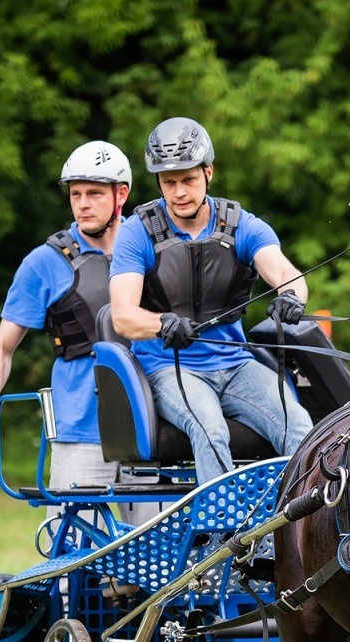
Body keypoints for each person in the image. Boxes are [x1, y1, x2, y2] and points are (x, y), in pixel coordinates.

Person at [0, 139, 157, 519]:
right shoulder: (44, 263)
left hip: (149, 430)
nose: (82, 203)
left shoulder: (154, 247)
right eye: (75, 193)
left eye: (94, 193)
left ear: (122, 195)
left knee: (160, 568)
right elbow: (1, 347)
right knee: (73, 568)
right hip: (80, 429)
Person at [108, 116, 313, 482]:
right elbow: (122, 316)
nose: (179, 192)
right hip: (168, 368)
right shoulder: (136, 233)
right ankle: (222, 536)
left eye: (188, 179)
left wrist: (292, 297)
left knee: (299, 427)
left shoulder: (241, 225)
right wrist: (162, 323)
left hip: (235, 365)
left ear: (208, 172)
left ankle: (296, 532)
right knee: (210, 429)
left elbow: (285, 273)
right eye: (169, 183)